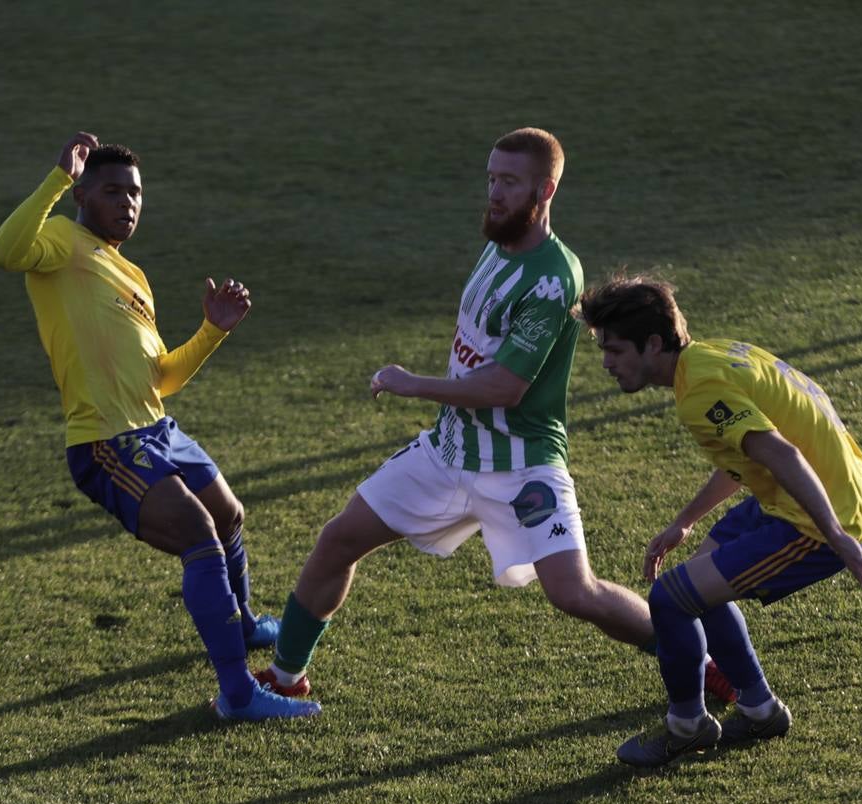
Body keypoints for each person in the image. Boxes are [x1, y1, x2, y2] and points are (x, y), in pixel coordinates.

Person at [255, 128, 733, 705]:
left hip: (521, 466)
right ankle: (284, 679)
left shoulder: (553, 278)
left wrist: (413, 385)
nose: (495, 193)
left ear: (546, 188)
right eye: (491, 179)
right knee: (338, 540)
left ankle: (700, 661)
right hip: (448, 451)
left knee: (575, 593)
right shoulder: (497, 244)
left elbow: (505, 387)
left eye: (509, 182)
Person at [0, 132, 319, 721]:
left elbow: (160, 378)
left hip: (158, 429)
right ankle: (238, 695)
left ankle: (241, 627)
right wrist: (58, 176)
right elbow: (4, 250)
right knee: (199, 535)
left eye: (136, 193)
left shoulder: (133, 275)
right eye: (112, 191)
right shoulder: (61, 244)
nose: (128, 203)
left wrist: (212, 330)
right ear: (83, 195)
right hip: (106, 441)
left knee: (228, 515)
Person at [572, 275, 862, 767]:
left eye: (613, 350)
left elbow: (778, 452)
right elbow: (751, 451)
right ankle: (759, 708)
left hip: (814, 517)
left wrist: (835, 534)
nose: (607, 364)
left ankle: (686, 724)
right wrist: (686, 521)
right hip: (797, 494)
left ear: (653, 343)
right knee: (703, 573)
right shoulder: (711, 357)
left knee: (669, 599)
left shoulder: (699, 391)